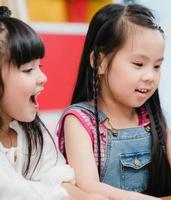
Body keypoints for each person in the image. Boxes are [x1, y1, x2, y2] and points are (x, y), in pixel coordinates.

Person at [56, 3, 171, 199]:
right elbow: (89, 187)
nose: (150, 76)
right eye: (138, 64)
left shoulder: (151, 120)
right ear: (100, 62)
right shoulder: (79, 121)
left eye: (157, 66)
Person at [0, 6, 107, 200]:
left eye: (39, 66)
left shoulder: (30, 132)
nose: (43, 77)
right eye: (27, 70)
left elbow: (57, 176)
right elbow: (12, 192)